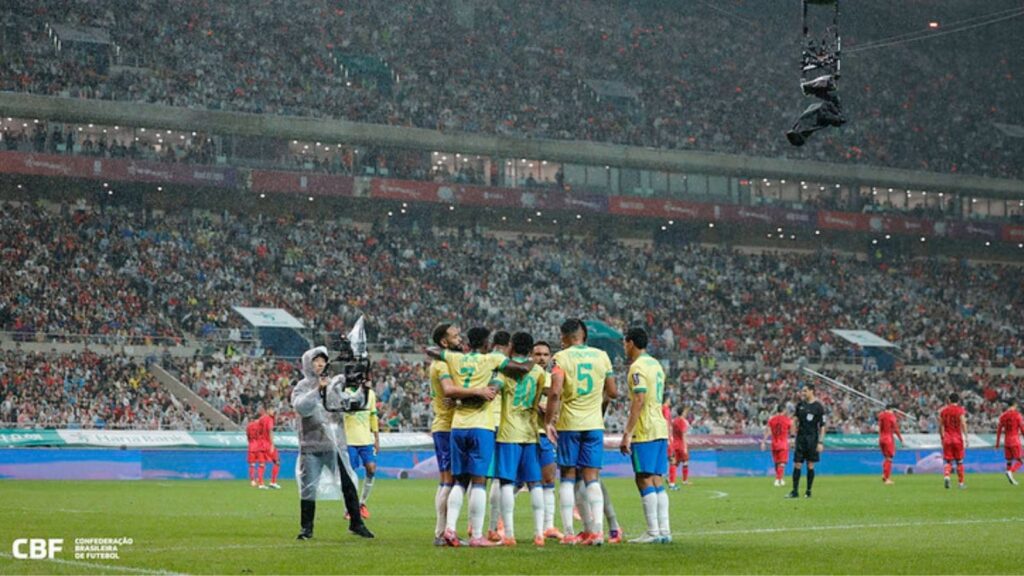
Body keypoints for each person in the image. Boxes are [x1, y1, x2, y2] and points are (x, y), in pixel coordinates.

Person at [429, 326, 530, 547]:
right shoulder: (491, 359)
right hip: (481, 426)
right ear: (486, 344)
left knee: (459, 481)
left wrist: (459, 400)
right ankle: (476, 536)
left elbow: (431, 351)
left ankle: (449, 529)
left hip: (457, 426)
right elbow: (519, 370)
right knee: (479, 482)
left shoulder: (455, 359)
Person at [544, 318, 618, 545]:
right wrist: (599, 408)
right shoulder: (602, 356)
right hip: (594, 424)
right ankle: (596, 531)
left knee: (567, 477)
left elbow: (555, 392)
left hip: (570, 425)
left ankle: (568, 533)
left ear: (564, 337)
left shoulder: (561, 357)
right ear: (583, 335)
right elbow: (613, 391)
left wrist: (548, 421)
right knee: (591, 478)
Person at [291, 346, 374, 540]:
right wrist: (318, 389)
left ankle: (356, 522)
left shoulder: (334, 385)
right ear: (308, 364)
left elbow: (349, 405)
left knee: (348, 483)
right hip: (311, 446)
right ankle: (306, 528)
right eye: (316, 361)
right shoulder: (301, 386)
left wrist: (364, 390)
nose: (320, 364)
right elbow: (301, 408)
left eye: (323, 361)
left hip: (335, 446)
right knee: (308, 488)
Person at [493, 331, 547, 546]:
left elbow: (493, 390)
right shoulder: (539, 372)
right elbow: (548, 396)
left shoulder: (505, 371)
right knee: (535, 483)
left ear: (512, 346)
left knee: (507, 482)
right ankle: (539, 534)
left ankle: (509, 535)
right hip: (531, 432)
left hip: (508, 433)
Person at [619, 327, 671, 544]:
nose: (624, 347)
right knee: (657, 478)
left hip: (646, 428)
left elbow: (639, 399)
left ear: (630, 343)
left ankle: (652, 531)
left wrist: (627, 433)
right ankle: (664, 531)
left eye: (624, 343)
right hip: (660, 426)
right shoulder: (656, 364)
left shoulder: (637, 367)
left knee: (643, 478)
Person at [428, 322, 460, 546]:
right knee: (447, 480)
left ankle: (447, 531)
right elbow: (449, 391)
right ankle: (440, 532)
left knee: (454, 480)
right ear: (444, 341)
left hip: (453, 426)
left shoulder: (448, 361)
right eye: (455, 336)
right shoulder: (441, 366)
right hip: (445, 427)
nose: (460, 338)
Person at [532, 340, 564, 540]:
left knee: (549, 478)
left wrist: (553, 413)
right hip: (525, 434)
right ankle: (499, 524)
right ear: (531, 356)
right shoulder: (526, 376)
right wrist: (537, 406)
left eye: (545, 354)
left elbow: (558, 401)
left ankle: (549, 525)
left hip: (545, 434)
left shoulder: (554, 378)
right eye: (537, 354)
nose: (541, 358)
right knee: (515, 481)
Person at [485, 330, 512, 542]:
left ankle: (472, 523)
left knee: (477, 479)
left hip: (481, 422)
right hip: (498, 423)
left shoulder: (482, 360)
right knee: (497, 477)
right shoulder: (504, 362)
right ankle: (493, 526)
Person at [344, 377, 380, 518]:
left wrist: (376, 438)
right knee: (350, 475)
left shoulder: (370, 394)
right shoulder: (344, 393)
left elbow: (373, 416)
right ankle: (349, 508)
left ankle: (362, 503)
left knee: (371, 468)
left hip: (366, 439)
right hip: (349, 439)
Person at [786, 384, 826, 499]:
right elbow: (794, 421)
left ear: (811, 391)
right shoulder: (800, 405)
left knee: (810, 464)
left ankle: (808, 491)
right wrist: (793, 437)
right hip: (801, 438)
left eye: (805, 391)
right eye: (802, 391)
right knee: (797, 464)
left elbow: (822, 426)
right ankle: (794, 491)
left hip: (812, 439)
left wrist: (820, 442)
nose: (803, 393)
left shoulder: (818, 407)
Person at [939, 392, 969, 490]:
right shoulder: (960, 410)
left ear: (949, 400)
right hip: (957, 439)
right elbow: (963, 423)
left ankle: (947, 476)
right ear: (958, 400)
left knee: (948, 461)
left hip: (947, 438)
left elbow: (941, 426)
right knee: (959, 462)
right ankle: (961, 484)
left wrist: (942, 438)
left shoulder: (943, 411)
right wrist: (966, 437)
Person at [994, 399, 1023, 486]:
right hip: (1015, 440)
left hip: (1006, 441)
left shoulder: (1003, 416)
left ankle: (1012, 479)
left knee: (1009, 461)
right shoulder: (1018, 415)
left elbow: (999, 430)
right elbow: (1022, 429)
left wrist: (997, 444)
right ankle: (1010, 472)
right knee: (1021, 461)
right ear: (1014, 404)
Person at [763, 405, 792, 487]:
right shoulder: (787, 420)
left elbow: (768, 431)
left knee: (776, 463)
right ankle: (777, 479)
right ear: (783, 410)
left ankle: (781, 479)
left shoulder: (772, 420)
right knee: (782, 463)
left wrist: (763, 441)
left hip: (774, 444)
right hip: (783, 444)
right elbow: (791, 429)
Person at [877, 404, 904, 485]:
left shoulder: (881, 415)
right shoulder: (891, 416)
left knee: (886, 458)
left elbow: (880, 428)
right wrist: (901, 439)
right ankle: (887, 478)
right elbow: (895, 429)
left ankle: (884, 475)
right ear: (891, 409)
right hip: (888, 438)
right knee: (889, 458)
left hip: (881, 438)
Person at [668, 406, 690, 489]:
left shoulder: (674, 421)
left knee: (674, 463)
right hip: (681, 445)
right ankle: (684, 480)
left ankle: (670, 479)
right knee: (685, 462)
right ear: (683, 412)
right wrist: (685, 447)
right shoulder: (683, 421)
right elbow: (683, 434)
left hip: (674, 444)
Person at [259, 407, 281, 489]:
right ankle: (273, 482)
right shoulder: (269, 419)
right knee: (277, 462)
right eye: (272, 410)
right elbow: (270, 431)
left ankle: (261, 484)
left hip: (260, 444)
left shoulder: (261, 419)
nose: (273, 411)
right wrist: (272, 444)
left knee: (262, 464)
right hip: (268, 444)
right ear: (268, 410)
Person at [246, 415, 265, 488]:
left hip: (251, 447)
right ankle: (260, 480)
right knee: (262, 464)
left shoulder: (249, 426)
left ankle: (252, 481)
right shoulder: (261, 426)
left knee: (252, 465)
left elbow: (247, 436)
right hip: (259, 447)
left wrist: (251, 443)